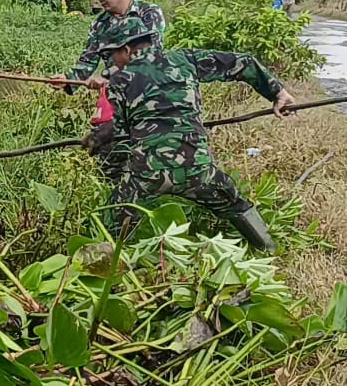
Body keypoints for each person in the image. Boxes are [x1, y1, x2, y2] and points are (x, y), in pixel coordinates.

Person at [87, 17, 296, 252]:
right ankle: (270, 251)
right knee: (236, 205)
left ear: (126, 49)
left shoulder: (120, 80)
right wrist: (277, 93)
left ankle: (107, 267)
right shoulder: (186, 59)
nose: (110, 62)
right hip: (199, 168)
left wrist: (96, 141)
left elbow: (121, 134)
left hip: (148, 175)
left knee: (111, 223)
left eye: (110, 55)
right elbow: (244, 63)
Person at [50, 0, 166, 184]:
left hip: (147, 90)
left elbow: (152, 55)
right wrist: (68, 79)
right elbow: (89, 58)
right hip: (115, 96)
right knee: (107, 149)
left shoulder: (148, 13)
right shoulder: (100, 23)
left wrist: (109, 75)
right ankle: (112, 189)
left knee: (145, 147)